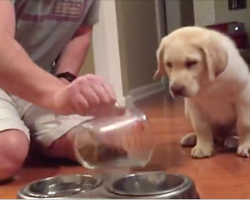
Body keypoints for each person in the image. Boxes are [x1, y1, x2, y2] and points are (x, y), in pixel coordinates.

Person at [0, 0, 116, 181]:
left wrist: (64, 79)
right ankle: (26, 136)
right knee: (7, 152)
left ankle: (32, 137)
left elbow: (81, 33)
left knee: (100, 142)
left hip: (40, 80)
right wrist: (55, 94)